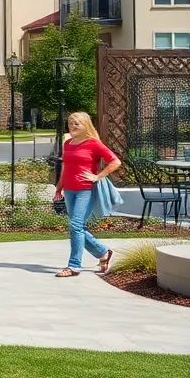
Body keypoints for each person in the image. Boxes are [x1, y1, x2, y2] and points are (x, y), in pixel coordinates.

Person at [53, 111, 121, 278]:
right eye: (70, 123)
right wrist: (58, 188)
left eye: (77, 123)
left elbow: (115, 161)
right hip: (69, 190)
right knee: (78, 227)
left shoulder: (93, 144)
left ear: (86, 125)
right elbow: (66, 168)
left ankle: (74, 266)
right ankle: (103, 253)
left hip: (85, 190)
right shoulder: (68, 144)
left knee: (75, 226)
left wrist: (97, 176)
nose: (73, 126)